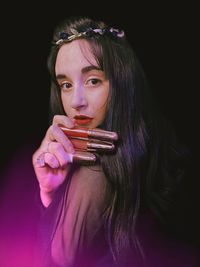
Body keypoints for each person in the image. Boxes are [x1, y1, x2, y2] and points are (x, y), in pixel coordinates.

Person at [32, 16, 199, 267]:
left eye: (93, 81)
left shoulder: (97, 172)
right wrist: (49, 193)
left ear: (123, 82)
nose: (76, 101)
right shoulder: (150, 151)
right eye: (65, 84)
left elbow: (50, 261)